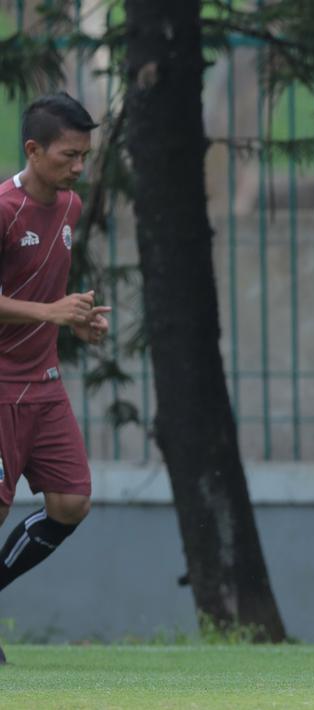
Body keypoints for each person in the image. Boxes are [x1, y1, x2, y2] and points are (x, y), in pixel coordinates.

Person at [0, 92, 108, 664]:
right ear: (33, 150)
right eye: (68, 155)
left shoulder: (70, 207)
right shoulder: (2, 208)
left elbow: (46, 297)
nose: (77, 167)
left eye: (84, 155)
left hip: (43, 383)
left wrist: (78, 322)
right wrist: (50, 313)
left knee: (71, 502)